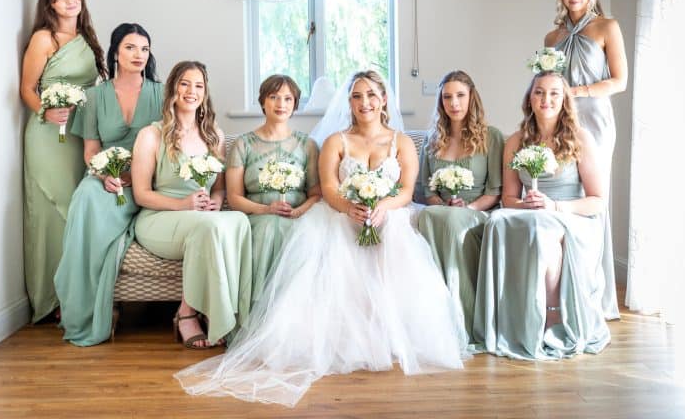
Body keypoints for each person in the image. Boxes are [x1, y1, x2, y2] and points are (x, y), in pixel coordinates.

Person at [174, 70, 467, 407]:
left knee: (397, 237)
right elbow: (328, 188)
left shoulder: (400, 141)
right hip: (342, 215)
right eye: (357, 96)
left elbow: (405, 190)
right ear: (350, 102)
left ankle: (390, 332)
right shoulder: (335, 141)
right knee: (335, 250)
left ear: (384, 99)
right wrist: (349, 207)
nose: (364, 103)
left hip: (389, 216)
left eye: (371, 95)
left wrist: (383, 206)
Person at [472, 70, 610, 360]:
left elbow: (597, 201)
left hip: (572, 216)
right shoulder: (516, 141)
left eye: (554, 93)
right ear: (529, 98)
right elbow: (509, 198)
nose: (546, 99)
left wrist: (556, 207)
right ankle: (504, 318)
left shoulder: (580, 138)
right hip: (533, 211)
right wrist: (531, 205)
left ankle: (553, 317)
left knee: (545, 229)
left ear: (564, 100)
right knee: (496, 221)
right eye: (539, 92)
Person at [54, 23, 164, 346]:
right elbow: (90, 150)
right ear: (116, 51)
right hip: (104, 179)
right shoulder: (93, 96)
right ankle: (80, 306)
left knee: (97, 201)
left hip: (143, 182)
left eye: (144, 49)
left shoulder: (161, 93)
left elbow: (166, 148)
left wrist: (136, 176)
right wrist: (104, 175)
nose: (138, 55)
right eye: (130, 48)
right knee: (85, 196)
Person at [132, 61, 252, 349]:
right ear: (173, 88)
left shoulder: (215, 135)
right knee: (206, 227)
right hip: (158, 218)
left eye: (199, 85)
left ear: (205, 93)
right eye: (185, 83)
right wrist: (183, 203)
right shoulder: (151, 135)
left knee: (239, 221)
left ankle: (227, 312)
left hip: (201, 218)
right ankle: (187, 313)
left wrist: (215, 203)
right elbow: (141, 194)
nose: (192, 91)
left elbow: (220, 188)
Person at [20, 0, 105, 323]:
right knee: (51, 213)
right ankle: (50, 301)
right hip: (47, 134)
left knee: (78, 209)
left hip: (78, 133)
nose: (70, 0)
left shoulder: (87, 37)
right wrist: (46, 109)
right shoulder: (44, 38)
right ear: (49, 4)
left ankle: (77, 296)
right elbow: (26, 88)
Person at [544, 0, 627, 320]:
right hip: (561, 122)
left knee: (594, 199)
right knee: (568, 193)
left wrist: (576, 92)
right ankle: (566, 289)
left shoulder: (607, 27)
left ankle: (596, 296)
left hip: (594, 120)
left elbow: (619, 81)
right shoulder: (551, 38)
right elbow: (545, 82)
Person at [416, 70, 503, 341]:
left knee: (452, 221)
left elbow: (495, 191)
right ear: (440, 102)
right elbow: (425, 192)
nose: (454, 103)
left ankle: (461, 316)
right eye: (447, 97)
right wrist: (443, 203)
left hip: (478, 212)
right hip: (440, 210)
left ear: (471, 97)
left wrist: (469, 208)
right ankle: (432, 317)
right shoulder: (432, 141)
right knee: (428, 217)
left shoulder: (491, 137)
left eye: (460, 96)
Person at [226, 75, 320, 302]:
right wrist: (265, 209)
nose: (281, 104)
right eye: (274, 97)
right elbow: (234, 197)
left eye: (288, 99)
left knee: (297, 232)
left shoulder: (307, 145)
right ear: (263, 101)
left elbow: (316, 194)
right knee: (270, 228)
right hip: (257, 217)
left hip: (298, 216)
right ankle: (259, 306)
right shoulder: (243, 144)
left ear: (295, 104)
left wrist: (298, 211)